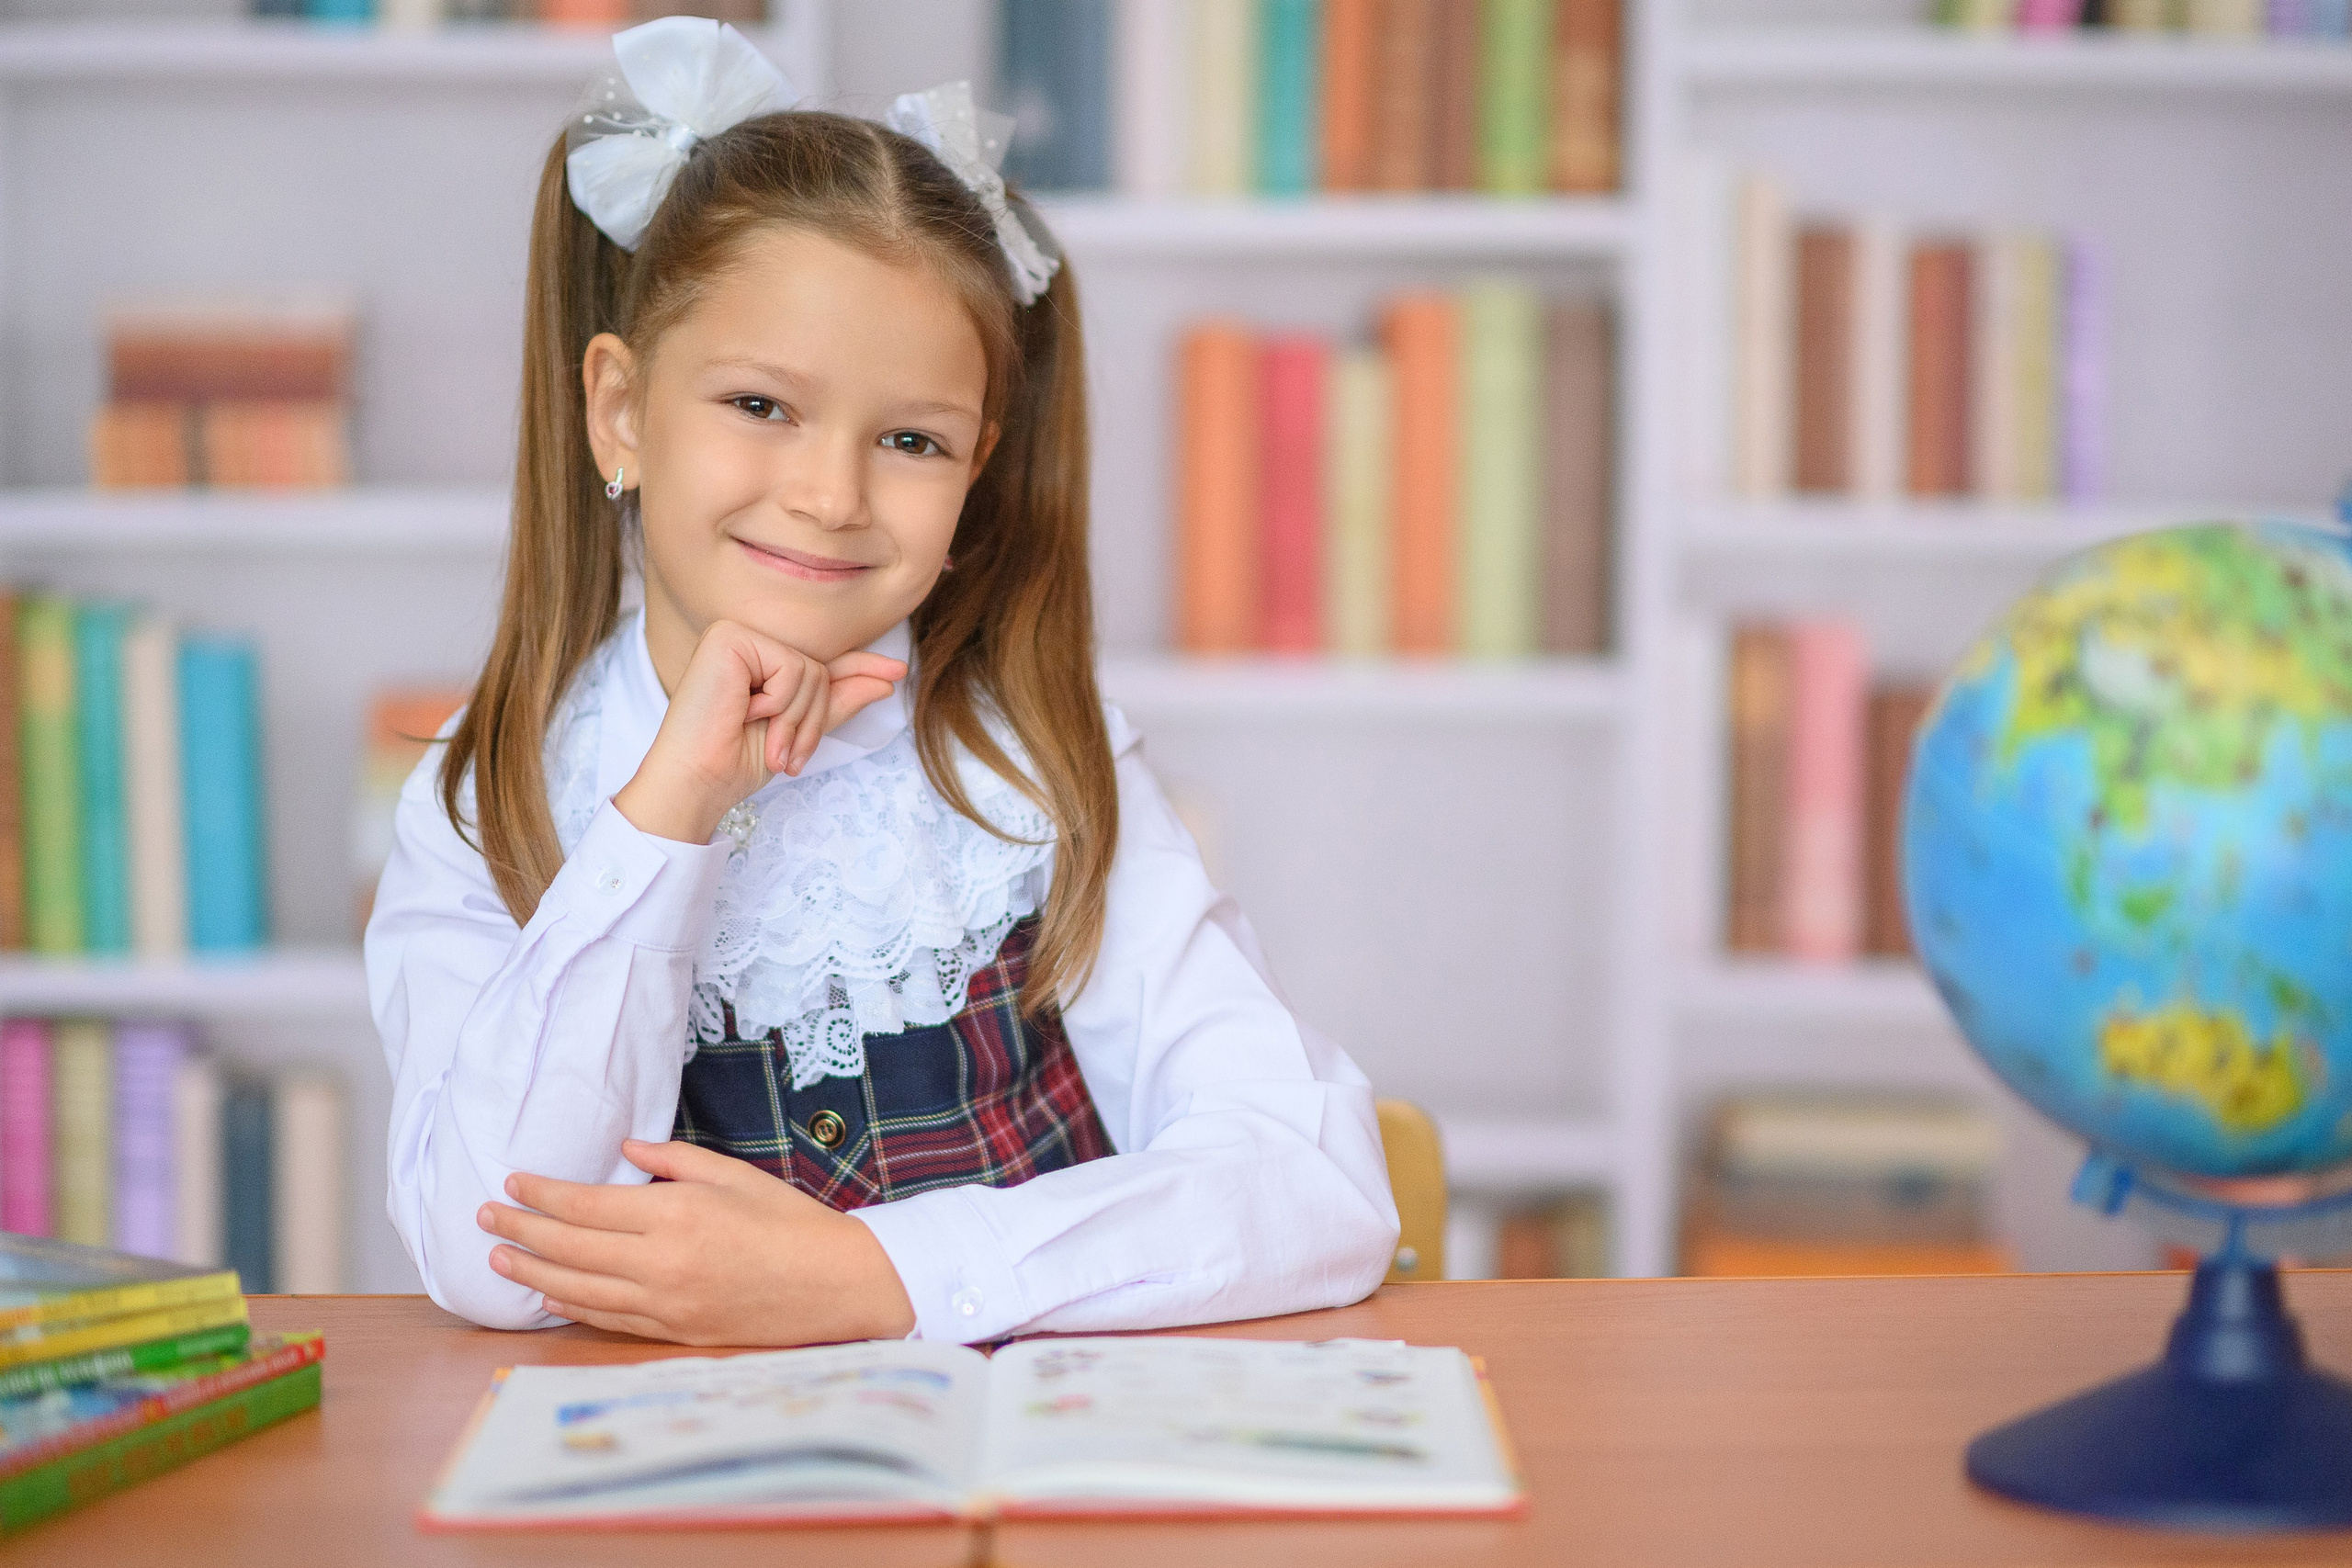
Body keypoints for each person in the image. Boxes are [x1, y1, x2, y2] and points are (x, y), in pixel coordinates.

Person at [367, 18, 1397, 1348]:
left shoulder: (1028, 767)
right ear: (622, 410)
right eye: (760, 406)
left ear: (976, 470)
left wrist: (874, 1279)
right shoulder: (490, 793)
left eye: (910, 438)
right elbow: (495, 1257)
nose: (830, 496)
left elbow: (1314, 1185)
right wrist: (665, 817)